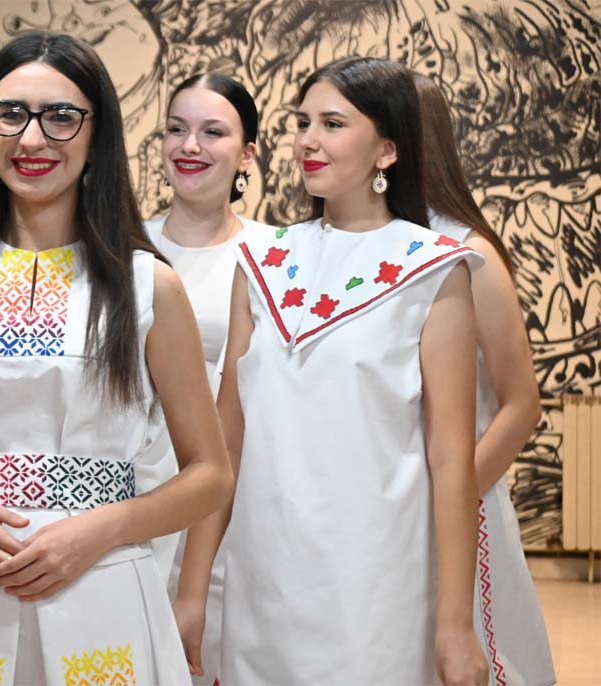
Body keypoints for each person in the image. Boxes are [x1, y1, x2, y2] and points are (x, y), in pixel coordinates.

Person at [0, 31, 232, 685]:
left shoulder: (148, 286)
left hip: (106, 588)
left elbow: (210, 474)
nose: (31, 139)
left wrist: (100, 531)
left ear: (98, 134)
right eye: (10, 114)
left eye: (60, 116)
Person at [177, 56, 490, 685]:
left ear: (388, 150)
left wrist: (457, 624)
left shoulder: (434, 268)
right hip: (261, 579)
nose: (308, 141)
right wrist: (191, 592)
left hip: (376, 585)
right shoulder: (263, 261)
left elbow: (452, 459)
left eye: (333, 124)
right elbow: (227, 441)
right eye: (302, 123)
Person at [415, 72, 556, 686]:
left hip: (456, 505)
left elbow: (522, 403)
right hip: (368, 512)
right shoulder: (352, 246)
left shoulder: (468, 250)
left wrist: (454, 498)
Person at [144, 71, 271, 685]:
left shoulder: (274, 257)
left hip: (233, 514)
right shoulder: (119, 246)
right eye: (177, 129)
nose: (190, 146)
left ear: (247, 153)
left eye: (213, 132)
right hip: (129, 503)